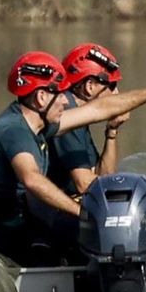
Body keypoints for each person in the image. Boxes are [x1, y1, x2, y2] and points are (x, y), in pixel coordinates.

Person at [0, 51, 146, 266]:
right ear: (41, 97)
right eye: (59, 94)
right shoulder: (13, 130)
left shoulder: (40, 125)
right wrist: (83, 213)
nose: (64, 101)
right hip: (0, 225)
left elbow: (99, 109)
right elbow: (32, 179)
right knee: (85, 236)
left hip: (26, 216)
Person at [47, 43, 130, 196]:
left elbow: (105, 178)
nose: (117, 93)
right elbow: (84, 184)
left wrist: (112, 131)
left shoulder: (80, 120)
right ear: (90, 86)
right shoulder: (66, 113)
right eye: (112, 86)